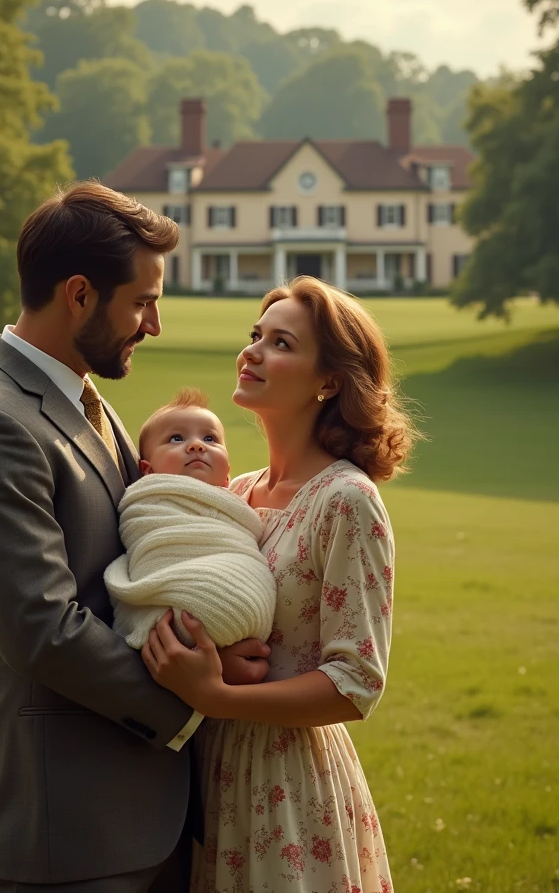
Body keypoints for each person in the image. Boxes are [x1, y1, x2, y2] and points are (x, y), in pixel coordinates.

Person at [0, 181, 270, 893]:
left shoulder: (90, 401)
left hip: (156, 816)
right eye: (142, 302)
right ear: (79, 294)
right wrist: (196, 693)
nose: (154, 324)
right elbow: (42, 627)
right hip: (70, 834)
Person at [141, 276, 417, 893]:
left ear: (329, 382)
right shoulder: (233, 494)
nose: (254, 352)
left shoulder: (347, 502)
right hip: (205, 776)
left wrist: (219, 696)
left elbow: (355, 685)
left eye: (281, 343)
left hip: (286, 793)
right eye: (255, 336)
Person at [104, 388, 277, 651]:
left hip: (243, 597)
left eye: (210, 438)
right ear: (148, 471)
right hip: (180, 612)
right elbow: (148, 543)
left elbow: (240, 544)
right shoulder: (148, 502)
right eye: (176, 438)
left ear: (227, 475)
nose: (196, 445)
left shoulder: (234, 505)